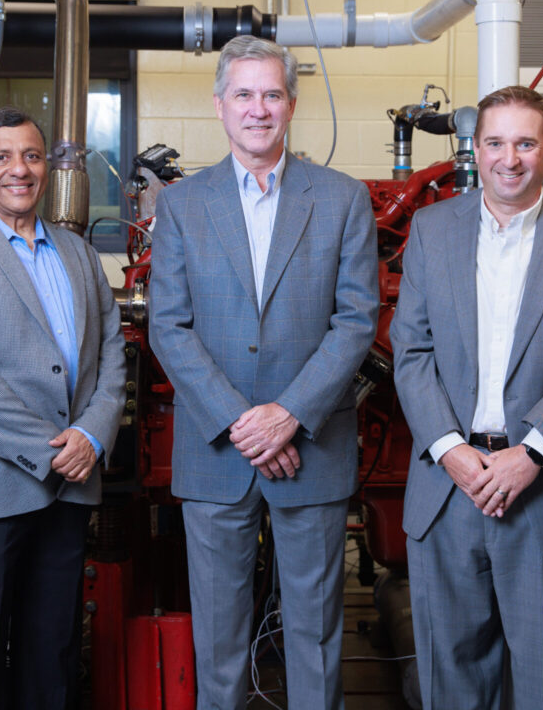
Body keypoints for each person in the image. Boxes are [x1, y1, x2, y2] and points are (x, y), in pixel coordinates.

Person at [148, 35, 378, 709]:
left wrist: (288, 416)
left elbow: (355, 321)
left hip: (312, 444)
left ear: (292, 104)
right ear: (220, 107)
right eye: (243, 94)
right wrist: (242, 423)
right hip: (216, 450)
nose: (257, 108)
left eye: (271, 94)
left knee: (315, 630)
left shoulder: (341, 199)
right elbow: (170, 325)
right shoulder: (183, 205)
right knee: (218, 636)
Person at [390, 84, 543, 710]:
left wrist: (532, 452)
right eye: (495, 142)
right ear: (476, 148)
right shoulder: (432, 228)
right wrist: (449, 450)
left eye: (526, 143)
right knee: (452, 682)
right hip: (449, 490)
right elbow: (410, 352)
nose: (510, 158)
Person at [0, 106, 126, 709]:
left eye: (31, 156)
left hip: (73, 482)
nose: (19, 170)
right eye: (1, 157)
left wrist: (92, 434)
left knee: (53, 651)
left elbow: (111, 351)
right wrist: (53, 451)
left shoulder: (79, 253)